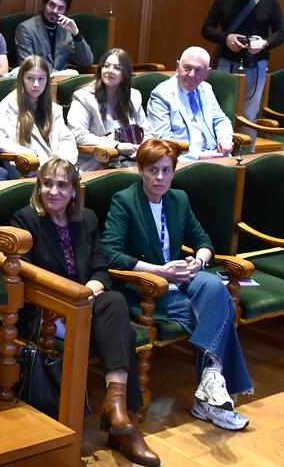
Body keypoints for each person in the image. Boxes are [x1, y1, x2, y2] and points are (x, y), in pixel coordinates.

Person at [11, 158, 160, 467]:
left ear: (74, 191)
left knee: (115, 302)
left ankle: (116, 405)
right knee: (125, 333)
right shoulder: (24, 221)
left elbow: (100, 269)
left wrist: (86, 294)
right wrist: (72, 299)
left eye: (62, 185)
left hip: (85, 306)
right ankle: (125, 425)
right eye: (47, 184)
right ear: (38, 187)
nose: (53, 191)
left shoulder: (87, 220)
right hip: (49, 311)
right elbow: (27, 275)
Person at [102, 138, 253, 432]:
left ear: (174, 172)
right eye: (153, 170)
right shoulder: (125, 200)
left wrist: (198, 261)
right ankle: (213, 398)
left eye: (166, 171)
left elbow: (204, 241)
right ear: (141, 170)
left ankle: (210, 383)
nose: (160, 178)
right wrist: (161, 271)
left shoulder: (178, 199)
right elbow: (111, 253)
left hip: (180, 278)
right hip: (146, 285)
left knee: (214, 287)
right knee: (214, 310)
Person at [202, 0, 284, 142]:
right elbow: (206, 28)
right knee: (219, 108)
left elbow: (281, 32)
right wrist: (226, 38)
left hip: (256, 63)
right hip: (225, 61)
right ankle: (217, 151)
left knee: (249, 113)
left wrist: (265, 43)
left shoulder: (270, 0)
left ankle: (246, 154)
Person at [67, 48, 151, 171]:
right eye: (106, 66)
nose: (109, 71)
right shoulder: (84, 96)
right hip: (97, 162)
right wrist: (117, 146)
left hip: (132, 159)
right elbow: (77, 134)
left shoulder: (134, 96)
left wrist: (143, 149)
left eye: (117, 68)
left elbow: (147, 130)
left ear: (125, 74)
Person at [0, 55, 78, 169]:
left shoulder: (53, 109)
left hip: (56, 168)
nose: (36, 84)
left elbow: (66, 139)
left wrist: (60, 159)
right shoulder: (9, 105)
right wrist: (25, 152)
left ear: (47, 81)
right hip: (27, 168)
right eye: (30, 78)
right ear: (22, 79)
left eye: (41, 79)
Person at [147, 46, 234, 161]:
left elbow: (220, 119)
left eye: (198, 70)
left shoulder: (206, 89)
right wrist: (198, 156)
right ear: (178, 66)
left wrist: (225, 139)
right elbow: (163, 140)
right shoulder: (162, 94)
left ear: (207, 73)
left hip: (216, 154)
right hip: (184, 159)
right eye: (187, 68)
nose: (191, 74)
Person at [16, 0, 93, 72]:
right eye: (52, 5)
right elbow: (26, 66)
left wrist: (76, 33)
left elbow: (86, 61)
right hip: (38, 81)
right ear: (44, 4)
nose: (55, 11)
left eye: (60, 8)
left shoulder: (66, 29)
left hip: (62, 82)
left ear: (65, 11)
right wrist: (58, 75)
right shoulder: (26, 29)